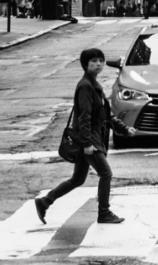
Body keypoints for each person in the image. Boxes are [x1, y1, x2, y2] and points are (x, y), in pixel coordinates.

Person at [34, 48, 135, 225]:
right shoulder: (85, 87)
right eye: (93, 61)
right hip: (88, 139)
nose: (98, 64)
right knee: (106, 174)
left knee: (77, 179)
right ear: (85, 65)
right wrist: (87, 143)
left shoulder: (94, 85)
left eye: (100, 61)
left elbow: (107, 114)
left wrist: (125, 129)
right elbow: (84, 117)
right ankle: (104, 213)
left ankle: (45, 202)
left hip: (89, 138)